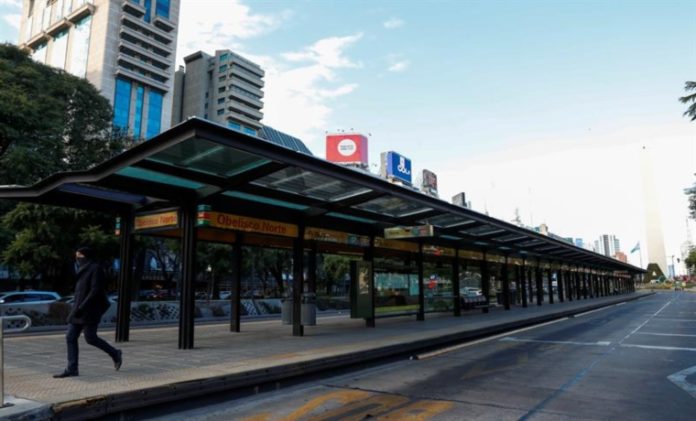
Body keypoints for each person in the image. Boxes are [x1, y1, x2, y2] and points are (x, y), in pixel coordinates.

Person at [54, 247, 122, 378]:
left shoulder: (95, 269)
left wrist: (82, 307)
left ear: (86, 256)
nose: (77, 258)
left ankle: (115, 353)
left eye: (79, 255)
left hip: (89, 310)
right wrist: (77, 308)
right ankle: (72, 368)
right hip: (78, 309)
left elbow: (95, 290)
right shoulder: (81, 269)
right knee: (70, 337)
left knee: (90, 338)